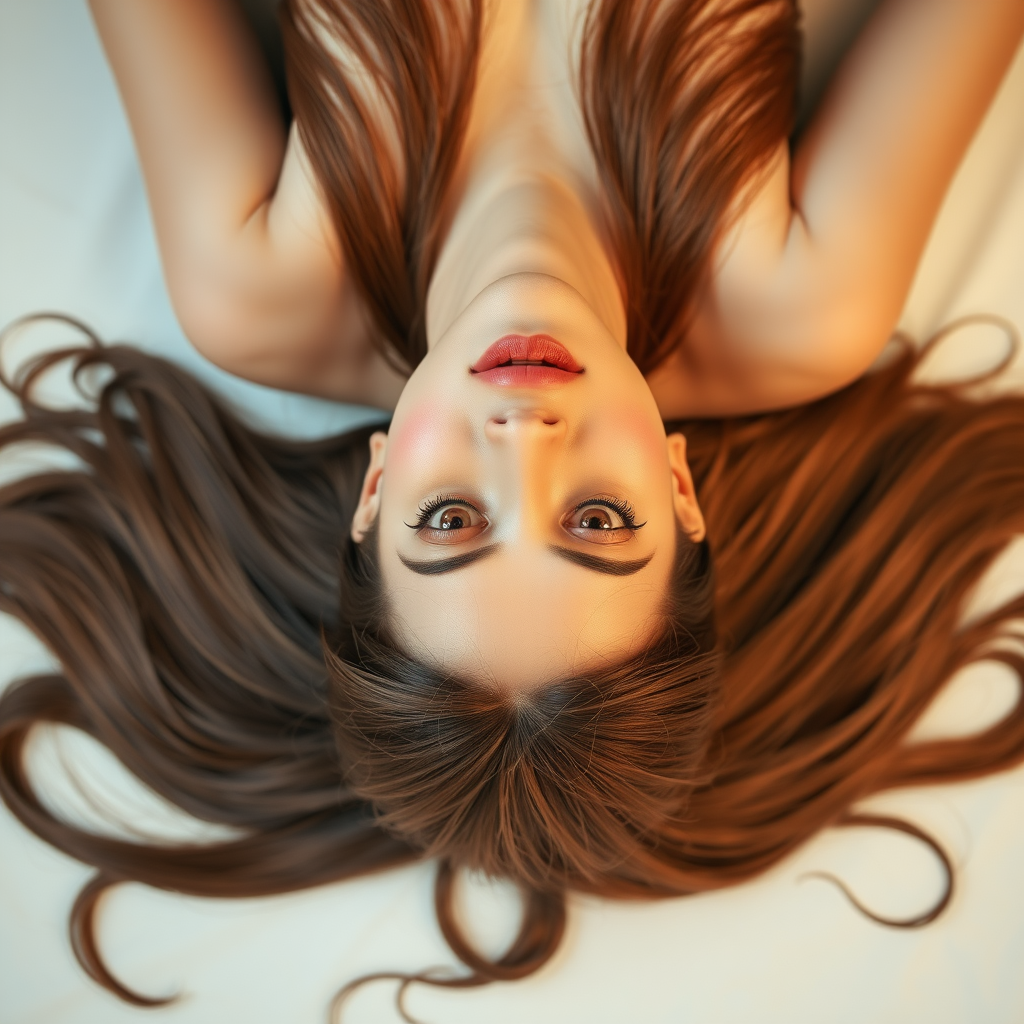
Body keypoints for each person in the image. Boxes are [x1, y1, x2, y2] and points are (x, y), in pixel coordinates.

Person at [2, 0, 1024, 1018]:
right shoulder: (804, 299)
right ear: (678, 491)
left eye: (450, 520)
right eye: (595, 521)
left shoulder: (251, 279)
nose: (524, 438)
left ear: (373, 491)